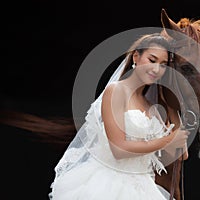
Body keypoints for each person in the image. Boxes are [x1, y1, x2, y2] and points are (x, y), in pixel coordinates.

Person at [48, 33, 189, 200]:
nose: (156, 69)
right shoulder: (116, 91)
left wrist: (172, 105)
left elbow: (182, 153)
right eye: (152, 60)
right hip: (108, 185)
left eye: (163, 65)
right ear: (136, 57)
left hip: (144, 188)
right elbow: (119, 149)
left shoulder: (151, 107)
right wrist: (167, 140)